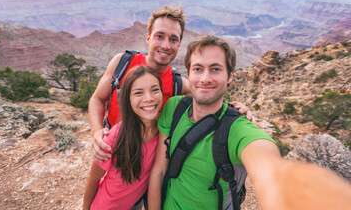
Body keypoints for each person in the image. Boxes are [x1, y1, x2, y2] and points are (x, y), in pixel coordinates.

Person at [148, 35, 351, 210]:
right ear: (188, 74)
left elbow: (272, 173)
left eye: (216, 69)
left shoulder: (237, 129)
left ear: (230, 77)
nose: (205, 78)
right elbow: (159, 171)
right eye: (198, 69)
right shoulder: (174, 108)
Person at [88, 6, 253, 162]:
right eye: (159, 36)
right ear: (148, 38)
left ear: (179, 45)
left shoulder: (178, 84)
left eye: (173, 39)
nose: (166, 45)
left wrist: (235, 108)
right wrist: (96, 131)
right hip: (111, 150)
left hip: (149, 160)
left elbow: (208, 97)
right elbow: (97, 98)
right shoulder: (122, 63)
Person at [83, 66, 163, 210]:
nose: (149, 98)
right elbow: (94, 179)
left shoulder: (163, 133)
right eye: (138, 92)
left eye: (155, 90)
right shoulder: (116, 136)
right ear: (128, 99)